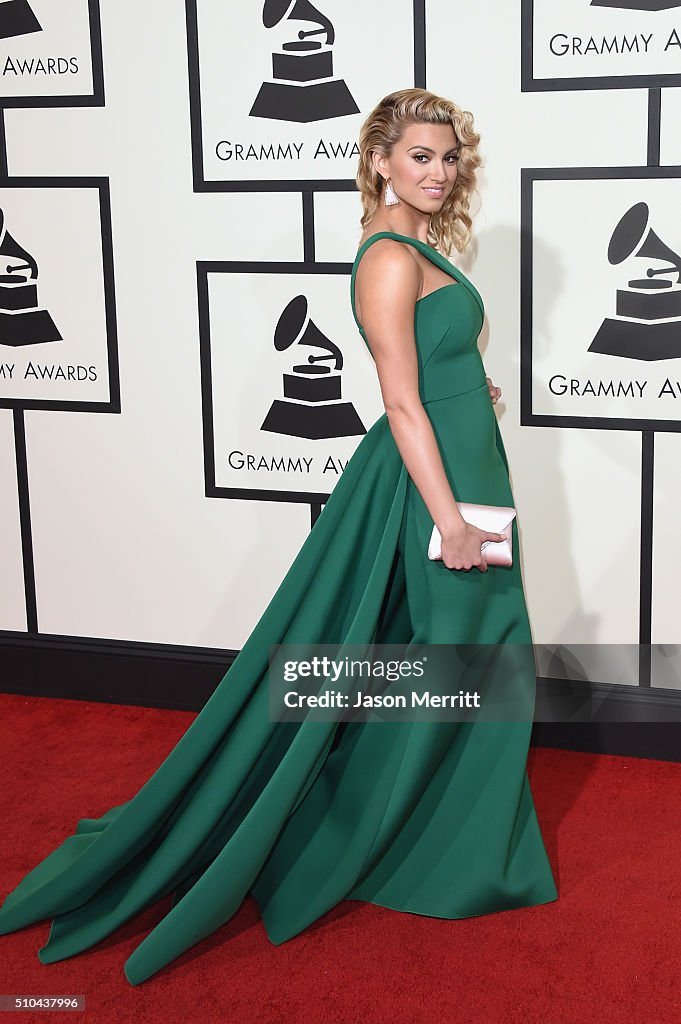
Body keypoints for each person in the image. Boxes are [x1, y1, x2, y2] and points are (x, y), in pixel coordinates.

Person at [0, 88, 558, 986]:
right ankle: (421, 846)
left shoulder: (422, 247)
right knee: (468, 661)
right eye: (419, 155)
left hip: (467, 473)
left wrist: (471, 392)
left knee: (455, 662)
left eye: (448, 158)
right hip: (438, 493)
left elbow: (434, 373)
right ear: (379, 160)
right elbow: (399, 400)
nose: (438, 171)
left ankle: (424, 828)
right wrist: (447, 517)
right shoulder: (386, 258)